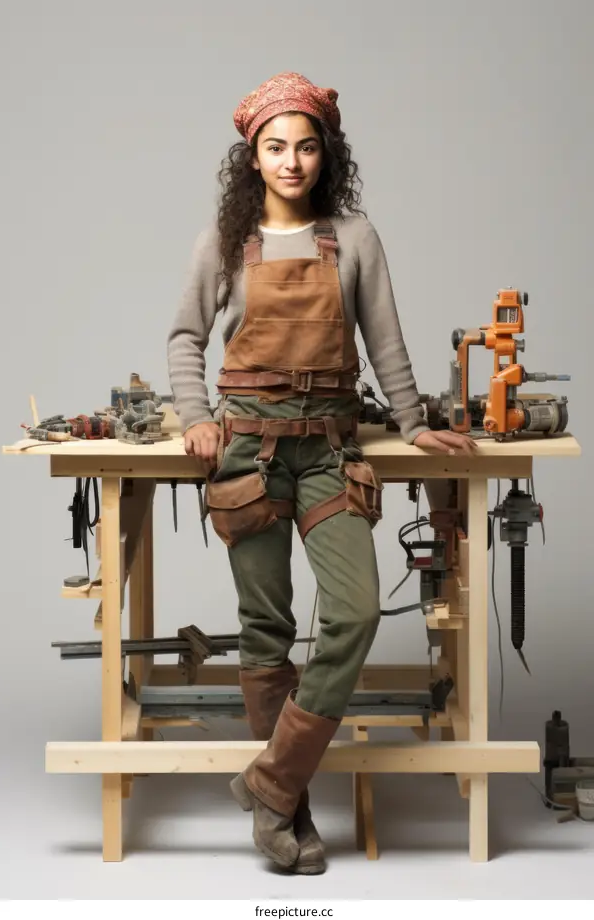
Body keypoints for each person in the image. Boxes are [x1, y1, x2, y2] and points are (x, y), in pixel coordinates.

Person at [166, 71, 475, 874]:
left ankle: (269, 783)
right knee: (267, 628)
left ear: (324, 153)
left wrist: (414, 424)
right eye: (276, 148)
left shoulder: (356, 239)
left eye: (305, 147)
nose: (292, 162)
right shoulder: (226, 243)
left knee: (356, 611)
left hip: (331, 451)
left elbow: (387, 344)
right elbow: (184, 339)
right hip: (248, 450)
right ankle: (287, 815)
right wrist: (197, 419)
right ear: (253, 157)